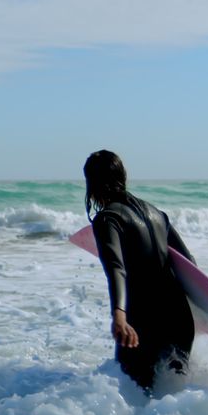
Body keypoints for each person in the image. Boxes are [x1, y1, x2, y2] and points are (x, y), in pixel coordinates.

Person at [84, 150, 195, 392]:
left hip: (144, 323)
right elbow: (190, 264)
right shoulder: (157, 214)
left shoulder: (108, 219)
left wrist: (119, 316)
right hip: (180, 319)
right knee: (176, 400)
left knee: (133, 400)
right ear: (123, 176)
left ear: (91, 183)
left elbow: (116, 268)